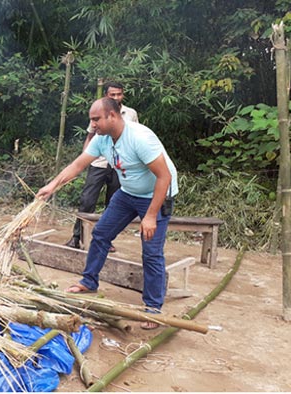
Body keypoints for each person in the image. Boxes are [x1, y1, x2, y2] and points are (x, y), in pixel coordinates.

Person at [37, 97, 178, 329]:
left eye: (96, 119)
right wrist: (52, 186)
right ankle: (89, 281)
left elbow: (165, 177)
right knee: (101, 233)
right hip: (128, 193)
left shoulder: (140, 138)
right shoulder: (102, 139)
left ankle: (153, 308)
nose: (93, 125)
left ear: (112, 116)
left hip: (156, 194)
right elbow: (77, 165)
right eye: (91, 120)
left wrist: (151, 215)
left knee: (151, 251)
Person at [67, 81, 139, 252]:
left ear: (123, 94)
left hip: (119, 165)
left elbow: (134, 137)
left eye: (119, 94)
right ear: (106, 95)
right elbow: (91, 136)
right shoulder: (98, 111)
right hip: (98, 162)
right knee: (87, 201)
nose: (116, 97)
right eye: (112, 94)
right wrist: (85, 158)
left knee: (113, 203)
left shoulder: (131, 114)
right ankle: (77, 237)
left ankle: (106, 239)